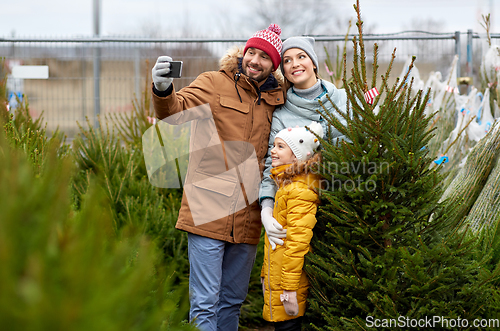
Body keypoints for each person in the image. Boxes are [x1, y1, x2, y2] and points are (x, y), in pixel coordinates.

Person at [150, 24, 286, 331]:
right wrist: (162, 88)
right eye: (251, 52)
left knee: (232, 302)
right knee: (205, 302)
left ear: (273, 66)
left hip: (249, 216)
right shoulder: (214, 82)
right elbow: (174, 112)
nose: (255, 60)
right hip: (208, 210)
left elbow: (311, 101)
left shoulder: (277, 99)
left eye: (265, 57)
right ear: (243, 53)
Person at [259, 36, 348, 250]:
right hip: (299, 212)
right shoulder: (281, 115)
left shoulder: (345, 100)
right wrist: (266, 209)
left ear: (314, 63)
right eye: (287, 60)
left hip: (347, 208)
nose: (295, 64)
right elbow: (273, 166)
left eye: (301, 56)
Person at [260, 122, 323, 330]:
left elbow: (297, 244)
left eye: (280, 147)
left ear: (296, 156)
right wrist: (264, 274)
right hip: (278, 278)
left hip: (288, 285)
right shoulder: (286, 185)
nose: (273, 151)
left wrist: (288, 290)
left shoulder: (299, 190)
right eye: (274, 145)